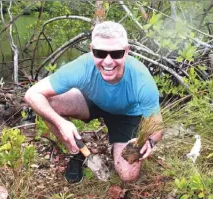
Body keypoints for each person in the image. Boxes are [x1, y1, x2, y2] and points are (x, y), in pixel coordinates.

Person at [24, 21, 163, 184]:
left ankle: (117, 148)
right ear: (91, 50)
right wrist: (61, 123)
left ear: (126, 52)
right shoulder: (82, 66)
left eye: (116, 53)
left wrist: (150, 140)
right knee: (49, 103)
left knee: (128, 176)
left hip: (126, 114)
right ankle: (77, 152)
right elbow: (32, 94)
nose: (108, 61)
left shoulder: (141, 79)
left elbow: (157, 124)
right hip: (92, 101)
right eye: (100, 53)